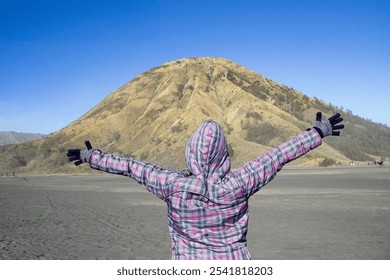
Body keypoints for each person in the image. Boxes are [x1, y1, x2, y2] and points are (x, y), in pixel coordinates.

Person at [67, 112, 344, 260]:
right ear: (223, 152)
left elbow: (130, 167)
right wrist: (317, 133)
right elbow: (278, 156)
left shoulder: (171, 184)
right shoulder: (240, 182)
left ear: (189, 151)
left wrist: (93, 156)